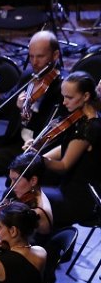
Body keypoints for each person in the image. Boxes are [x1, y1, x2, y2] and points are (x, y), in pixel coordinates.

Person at [0, 31, 64, 205]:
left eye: (40, 57)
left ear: (55, 55)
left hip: (37, 150)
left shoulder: (62, 88)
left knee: (13, 187)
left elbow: (54, 126)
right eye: (31, 56)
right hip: (15, 145)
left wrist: (26, 111)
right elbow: (4, 101)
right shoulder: (29, 76)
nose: (35, 62)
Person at [37, 71, 101, 228]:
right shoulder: (80, 119)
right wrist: (38, 153)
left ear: (86, 97)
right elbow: (66, 147)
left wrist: (40, 160)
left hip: (80, 198)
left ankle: (39, 247)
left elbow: (64, 166)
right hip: (68, 187)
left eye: (69, 97)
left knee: (28, 199)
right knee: (22, 189)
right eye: (63, 96)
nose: (64, 102)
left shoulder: (89, 128)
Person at [0, 152, 54, 246]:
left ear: (33, 181)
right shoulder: (27, 194)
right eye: (11, 179)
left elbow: (9, 248)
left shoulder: (37, 212)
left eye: (16, 180)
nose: (11, 185)